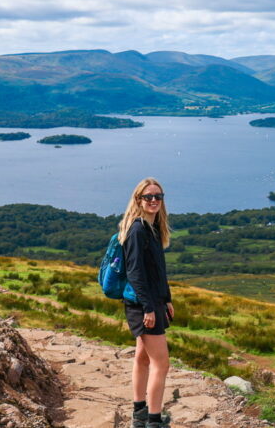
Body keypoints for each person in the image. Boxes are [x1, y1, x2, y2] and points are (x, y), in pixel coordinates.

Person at [118, 177, 174, 428]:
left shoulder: (152, 228)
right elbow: (135, 273)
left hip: (152, 302)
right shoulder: (138, 230)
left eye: (157, 196)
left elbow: (157, 270)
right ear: (138, 200)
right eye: (148, 196)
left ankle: (139, 413)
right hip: (144, 306)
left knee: (142, 358)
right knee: (161, 363)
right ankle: (154, 420)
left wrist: (167, 299)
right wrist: (149, 308)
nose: (153, 200)